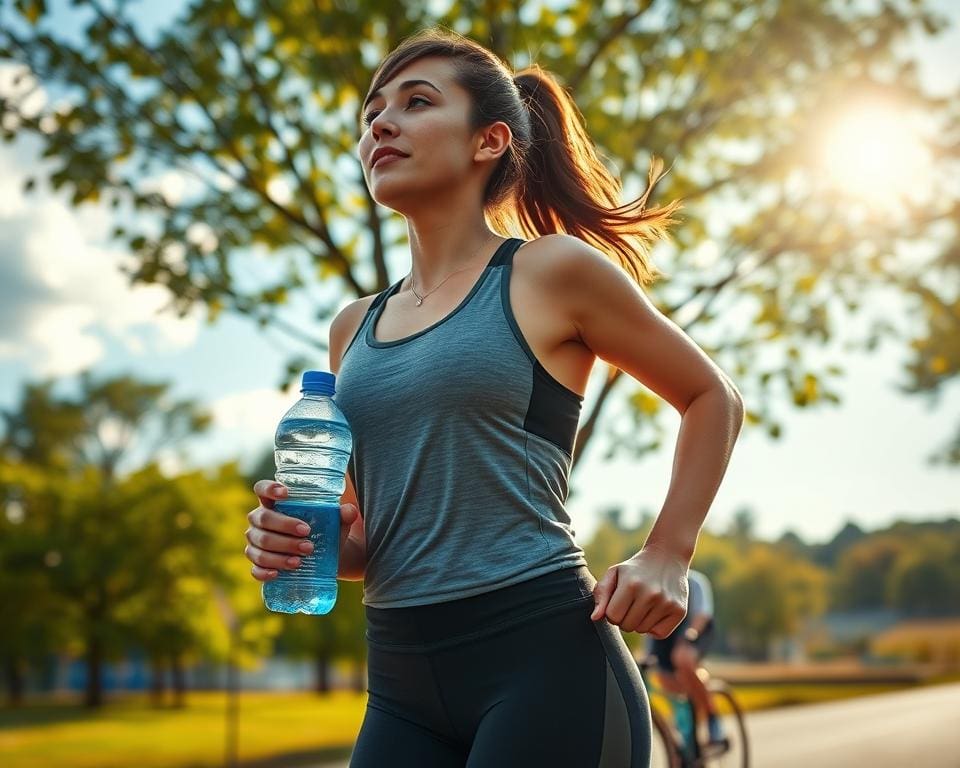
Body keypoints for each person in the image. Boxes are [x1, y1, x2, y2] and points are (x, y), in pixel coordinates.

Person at [244, 25, 744, 768]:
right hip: (400, 680)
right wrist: (296, 542)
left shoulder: (547, 272)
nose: (381, 123)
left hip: (544, 661)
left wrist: (668, 552)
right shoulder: (354, 326)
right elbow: (369, 538)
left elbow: (713, 395)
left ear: (489, 141)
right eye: (371, 114)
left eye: (416, 102)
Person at [646, 568, 726, 747]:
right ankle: (686, 724)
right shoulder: (655, 586)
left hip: (696, 630)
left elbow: (702, 615)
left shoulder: (695, 581)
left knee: (682, 659)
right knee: (662, 675)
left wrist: (691, 635)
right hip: (669, 635)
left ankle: (713, 720)